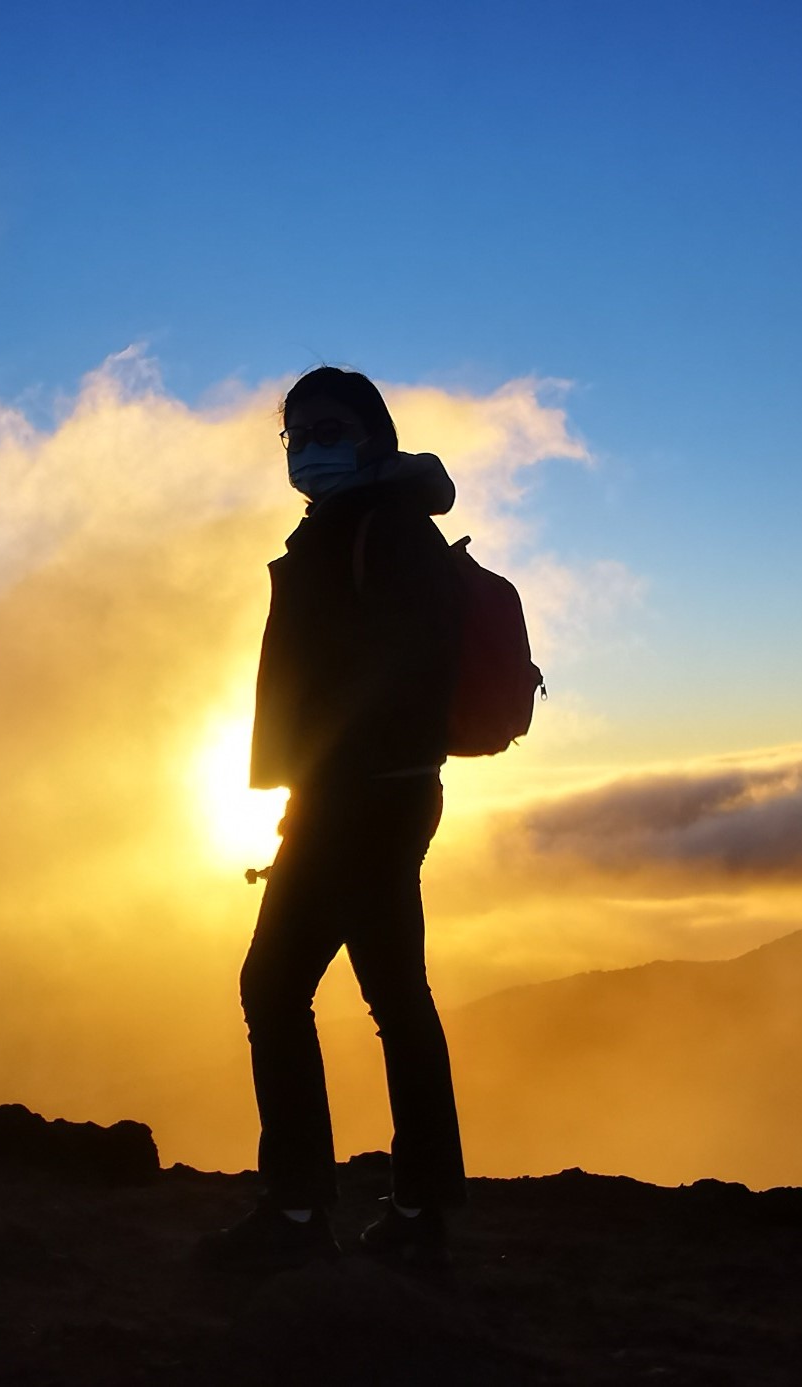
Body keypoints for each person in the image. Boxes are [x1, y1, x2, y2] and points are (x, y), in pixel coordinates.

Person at [198, 366, 466, 1270]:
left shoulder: (383, 532)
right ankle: (415, 1209)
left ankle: (305, 1213)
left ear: (373, 435)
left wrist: (326, 788)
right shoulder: (349, 527)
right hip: (363, 793)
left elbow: (398, 673)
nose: (311, 446)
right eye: (297, 433)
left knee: (278, 986)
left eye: (331, 429)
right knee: (387, 998)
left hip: (362, 797)